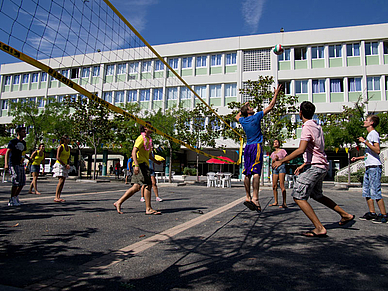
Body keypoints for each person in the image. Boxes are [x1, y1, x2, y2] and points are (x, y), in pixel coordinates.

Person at [273, 101, 354, 237]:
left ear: (300, 113)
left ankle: (319, 228)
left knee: (298, 196)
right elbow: (315, 149)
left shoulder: (306, 127)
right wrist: (304, 164)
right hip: (321, 165)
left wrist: (282, 160)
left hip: (316, 167)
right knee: (317, 195)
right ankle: (345, 215)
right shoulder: (317, 126)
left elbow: (301, 150)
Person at [235, 84, 282, 212]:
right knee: (256, 172)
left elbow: (237, 116)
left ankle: (247, 196)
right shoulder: (256, 117)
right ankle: (255, 198)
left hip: (247, 147)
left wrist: (243, 107)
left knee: (247, 173)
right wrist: (276, 93)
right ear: (249, 112)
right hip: (256, 146)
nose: (252, 107)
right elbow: (271, 106)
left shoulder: (243, 121)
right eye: (250, 107)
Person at [114, 122, 162, 215]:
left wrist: (156, 161)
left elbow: (149, 155)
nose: (152, 127)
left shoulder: (148, 139)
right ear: (145, 128)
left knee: (136, 187)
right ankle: (148, 208)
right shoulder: (141, 138)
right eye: (149, 126)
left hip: (144, 164)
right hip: (140, 164)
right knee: (148, 184)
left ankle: (118, 202)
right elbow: (133, 152)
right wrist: (136, 165)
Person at [351, 115, 387, 224]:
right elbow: (369, 154)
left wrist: (365, 142)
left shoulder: (374, 134)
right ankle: (372, 212)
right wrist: (358, 158)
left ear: (371, 123)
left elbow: (377, 150)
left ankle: (383, 215)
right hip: (369, 166)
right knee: (367, 191)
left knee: (375, 191)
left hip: (374, 167)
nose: (364, 121)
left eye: (367, 120)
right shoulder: (369, 134)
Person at [5, 127, 29, 206]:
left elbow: (23, 153)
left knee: (22, 182)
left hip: (21, 164)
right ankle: (11, 199)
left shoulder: (24, 143)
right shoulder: (13, 142)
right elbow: (7, 152)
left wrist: (28, 159)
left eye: (25, 132)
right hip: (14, 163)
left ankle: (15, 197)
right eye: (23, 132)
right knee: (16, 181)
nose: (25, 133)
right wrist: (6, 163)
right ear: (18, 133)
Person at [52, 135, 71, 203]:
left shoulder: (69, 148)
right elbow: (58, 157)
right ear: (64, 139)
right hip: (60, 164)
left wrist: (68, 164)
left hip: (65, 165)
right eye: (67, 138)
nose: (69, 139)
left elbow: (68, 157)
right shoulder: (61, 147)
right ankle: (56, 196)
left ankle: (59, 196)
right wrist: (64, 164)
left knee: (63, 181)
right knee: (61, 180)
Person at [270, 139, 287, 208]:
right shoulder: (272, 153)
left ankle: (284, 203)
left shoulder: (283, 151)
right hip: (275, 169)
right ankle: (276, 202)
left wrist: (279, 159)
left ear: (279, 143)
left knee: (282, 185)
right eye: (274, 142)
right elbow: (272, 163)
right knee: (274, 186)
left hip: (281, 167)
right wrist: (273, 161)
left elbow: (287, 160)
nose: (275, 143)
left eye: (276, 142)